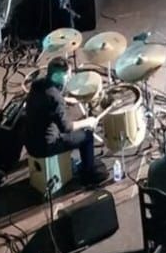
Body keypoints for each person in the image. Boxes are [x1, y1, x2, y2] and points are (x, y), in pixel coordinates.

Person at [24, 56, 107, 185]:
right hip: (46, 146)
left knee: (67, 119)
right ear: (57, 76)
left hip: (30, 141)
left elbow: (47, 99)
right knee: (87, 135)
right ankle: (88, 174)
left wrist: (65, 100)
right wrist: (88, 121)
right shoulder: (55, 98)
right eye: (67, 75)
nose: (69, 77)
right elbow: (66, 127)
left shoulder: (38, 84)